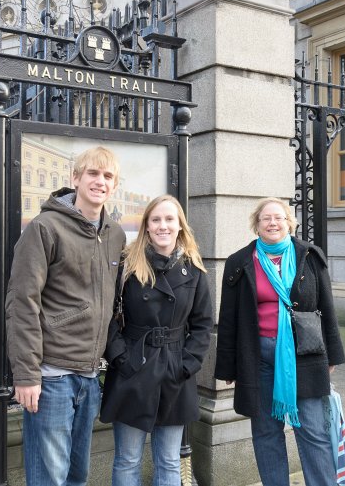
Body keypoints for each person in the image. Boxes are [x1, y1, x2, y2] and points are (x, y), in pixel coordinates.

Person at [5, 146, 126, 486]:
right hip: (52, 375)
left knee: (77, 475)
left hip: (89, 376)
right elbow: (22, 301)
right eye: (92, 173)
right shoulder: (45, 227)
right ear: (75, 178)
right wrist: (26, 373)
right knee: (50, 477)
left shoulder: (114, 234)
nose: (99, 182)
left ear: (114, 185)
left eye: (107, 176)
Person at [214, 197, 345, 486]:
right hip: (257, 357)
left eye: (278, 217)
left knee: (313, 431)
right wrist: (227, 367)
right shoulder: (240, 262)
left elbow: (327, 306)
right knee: (265, 433)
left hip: (305, 356)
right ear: (256, 225)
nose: (273, 223)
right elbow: (229, 318)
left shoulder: (309, 256)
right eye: (266, 219)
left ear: (289, 222)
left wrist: (333, 355)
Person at [101, 194, 213, 486]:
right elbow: (108, 314)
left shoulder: (195, 270)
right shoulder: (128, 265)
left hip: (174, 369)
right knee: (127, 460)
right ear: (147, 226)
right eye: (156, 220)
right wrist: (120, 357)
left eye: (169, 219)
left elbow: (202, 325)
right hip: (132, 367)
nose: (163, 226)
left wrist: (186, 364)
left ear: (180, 226)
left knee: (169, 460)